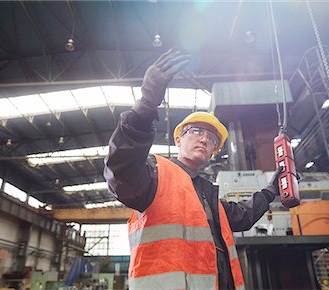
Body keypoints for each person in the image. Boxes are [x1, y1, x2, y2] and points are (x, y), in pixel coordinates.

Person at [104, 48, 283, 290]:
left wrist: (271, 191)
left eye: (211, 138)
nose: (204, 140)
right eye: (196, 131)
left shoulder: (207, 193)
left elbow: (241, 217)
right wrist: (145, 107)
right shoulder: (154, 174)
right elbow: (120, 172)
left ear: (212, 152)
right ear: (178, 140)